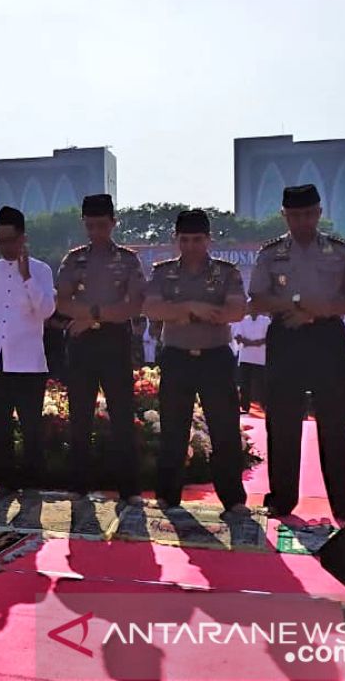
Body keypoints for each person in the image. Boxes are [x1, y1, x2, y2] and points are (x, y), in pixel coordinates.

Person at [249, 184, 345, 525]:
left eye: (308, 214)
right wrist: (298, 306)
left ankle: (344, 502)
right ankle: (282, 498)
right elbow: (257, 298)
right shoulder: (271, 253)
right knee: (283, 421)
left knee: (336, 421)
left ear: (318, 213)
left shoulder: (338, 250)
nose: (302, 221)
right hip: (286, 335)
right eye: (295, 215)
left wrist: (320, 311)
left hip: (327, 336)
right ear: (284, 215)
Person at [143, 209, 249, 514]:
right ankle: (167, 495)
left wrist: (176, 310)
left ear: (208, 239)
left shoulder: (226, 272)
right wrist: (193, 307)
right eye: (185, 239)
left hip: (216, 358)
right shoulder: (163, 272)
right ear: (176, 239)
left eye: (197, 239)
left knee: (225, 429)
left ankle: (233, 499)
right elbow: (151, 308)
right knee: (174, 429)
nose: (191, 245)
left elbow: (235, 310)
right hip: (177, 357)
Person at [55, 193, 146, 505]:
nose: (96, 231)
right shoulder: (73, 259)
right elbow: (61, 301)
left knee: (122, 415)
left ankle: (129, 489)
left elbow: (133, 305)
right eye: (90, 225)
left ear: (113, 223)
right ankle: (78, 485)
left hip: (114, 342)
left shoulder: (128, 259)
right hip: (81, 344)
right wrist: (97, 314)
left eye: (102, 225)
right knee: (79, 416)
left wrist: (91, 316)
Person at [0, 206, 57, 491]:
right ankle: (4, 482)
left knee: (31, 426)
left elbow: (45, 310)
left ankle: (34, 483)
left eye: (10, 240)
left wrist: (27, 277)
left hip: (28, 361)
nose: (5, 246)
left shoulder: (40, 269)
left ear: (23, 238)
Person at [233, 312, 270, 413]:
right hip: (245, 357)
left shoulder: (266, 320)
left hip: (261, 357)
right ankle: (245, 407)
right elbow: (237, 336)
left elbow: (269, 336)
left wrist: (256, 343)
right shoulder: (242, 320)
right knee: (244, 383)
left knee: (262, 383)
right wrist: (250, 343)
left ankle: (264, 406)